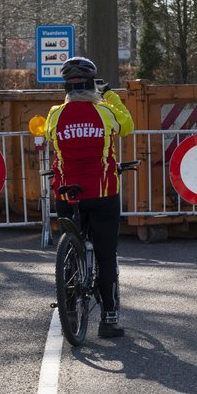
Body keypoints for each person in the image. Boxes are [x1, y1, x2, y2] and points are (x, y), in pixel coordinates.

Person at [44, 57, 134, 338]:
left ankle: (69, 306)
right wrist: (109, 95)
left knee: (71, 247)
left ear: (66, 87)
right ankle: (108, 317)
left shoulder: (55, 115)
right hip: (102, 192)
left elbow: (50, 136)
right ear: (91, 84)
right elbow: (127, 125)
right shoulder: (105, 113)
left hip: (67, 192)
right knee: (106, 255)